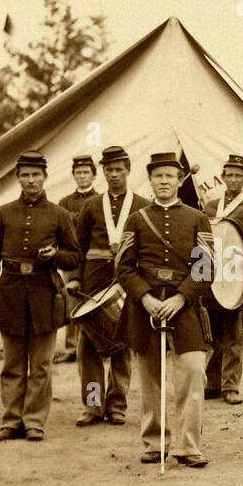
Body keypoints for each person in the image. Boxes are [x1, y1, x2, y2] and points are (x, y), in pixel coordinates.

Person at [116, 152, 215, 467]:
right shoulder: (136, 219)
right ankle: (155, 441)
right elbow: (123, 267)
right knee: (150, 378)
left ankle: (189, 445)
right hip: (145, 306)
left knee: (194, 370)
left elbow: (206, 266)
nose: (163, 181)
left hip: (183, 305)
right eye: (158, 176)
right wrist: (145, 297)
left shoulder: (197, 218)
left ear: (178, 180)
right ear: (150, 180)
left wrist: (181, 298)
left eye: (169, 176)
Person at [0, 151, 81, 441]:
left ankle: (35, 420)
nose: (31, 180)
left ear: (45, 177)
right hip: (10, 295)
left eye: (36, 174)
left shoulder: (59, 215)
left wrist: (55, 256)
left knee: (40, 365)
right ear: (18, 178)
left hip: (44, 296)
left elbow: (74, 257)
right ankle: (11, 420)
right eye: (25, 175)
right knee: (12, 364)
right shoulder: (2, 214)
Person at [68, 145, 149, 426]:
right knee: (88, 346)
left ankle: (117, 405)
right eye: (109, 170)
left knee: (122, 344)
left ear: (128, 170)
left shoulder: (141, 205)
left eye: (119, 169)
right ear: (102, 172)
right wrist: (75, 277)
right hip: (92, 280)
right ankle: (92, 406)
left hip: (127, 280)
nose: (114, 175)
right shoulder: (90, 206)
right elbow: (78, 247)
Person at [202, 154, 243, 405]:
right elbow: (201, 241)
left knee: (234, 335)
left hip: (237, 276)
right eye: (230, 175)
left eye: (239, 175)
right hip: (213, 275)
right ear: (223, 177)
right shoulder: (210, 206)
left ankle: (231, 386)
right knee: (211, 334)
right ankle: (212, 382)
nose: (234, 179)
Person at [55, 155, 99, 363]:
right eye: (78, 173)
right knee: (72, 299)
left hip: (93, 256)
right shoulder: (64, 202)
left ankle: (96, 341)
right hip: (72, 255)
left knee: (93, 300)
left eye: (85, 173)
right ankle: (72, 347)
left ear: (93, 175)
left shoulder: (100, 200)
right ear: (73, 176)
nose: (82, 177)